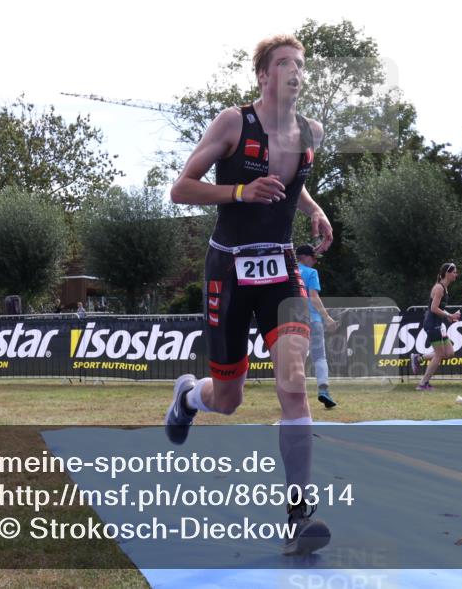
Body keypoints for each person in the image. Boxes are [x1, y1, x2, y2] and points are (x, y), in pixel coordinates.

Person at [165, 34, 333, 556]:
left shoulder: (312, 132)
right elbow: (181, 188)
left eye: (299, 64)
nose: (294, 71)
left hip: (280, 268)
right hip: (230, 270)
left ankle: (298, 516)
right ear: (262, 76)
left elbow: (291, 181)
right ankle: (190, 396)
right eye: (283, 63)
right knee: (230, 399)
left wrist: (313, 210)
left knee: (294, 382)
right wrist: (239, 191)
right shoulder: (232, 122)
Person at [295, 243, 338, 408]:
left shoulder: (288, 272)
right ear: (305, 257)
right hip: (313, 320)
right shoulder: (311, 273)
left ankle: (295, 394)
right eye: (313, 258)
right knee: (319, 357)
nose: (315, 261)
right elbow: (313, 297)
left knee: (297, 358)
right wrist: (327, 318)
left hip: (292, 320)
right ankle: (323, 391)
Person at [410, 263, 461, 390]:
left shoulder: (444, 287)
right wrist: (449, 315)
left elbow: (438, 308)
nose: (456, 274)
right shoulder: (439, 288)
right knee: (439, 354)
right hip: (432, 324)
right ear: (447, 273)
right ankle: (423, 384)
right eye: (454, 272)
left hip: (438, 323)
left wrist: (450, 316)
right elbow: (433, 308)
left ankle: (419, 358)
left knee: (449, 353)